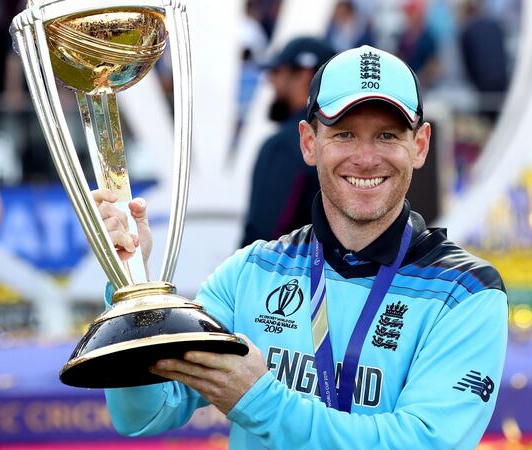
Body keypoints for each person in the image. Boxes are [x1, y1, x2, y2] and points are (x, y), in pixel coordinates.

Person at [97, 46, 508, 449]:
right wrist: (131, 284)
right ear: (309, 142)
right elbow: (145, 415)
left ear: (419, 145)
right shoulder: (252, 272)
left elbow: (420, 444)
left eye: (387, 135)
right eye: (344, 134)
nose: (366, 158)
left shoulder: (466, 292)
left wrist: (259, 399)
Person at [240, 37, 335, 247]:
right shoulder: (343, 144)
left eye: (277, 72)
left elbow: (263, 239)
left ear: (303, 75)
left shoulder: (283, 145)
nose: (271, 81)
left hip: (285, 275)